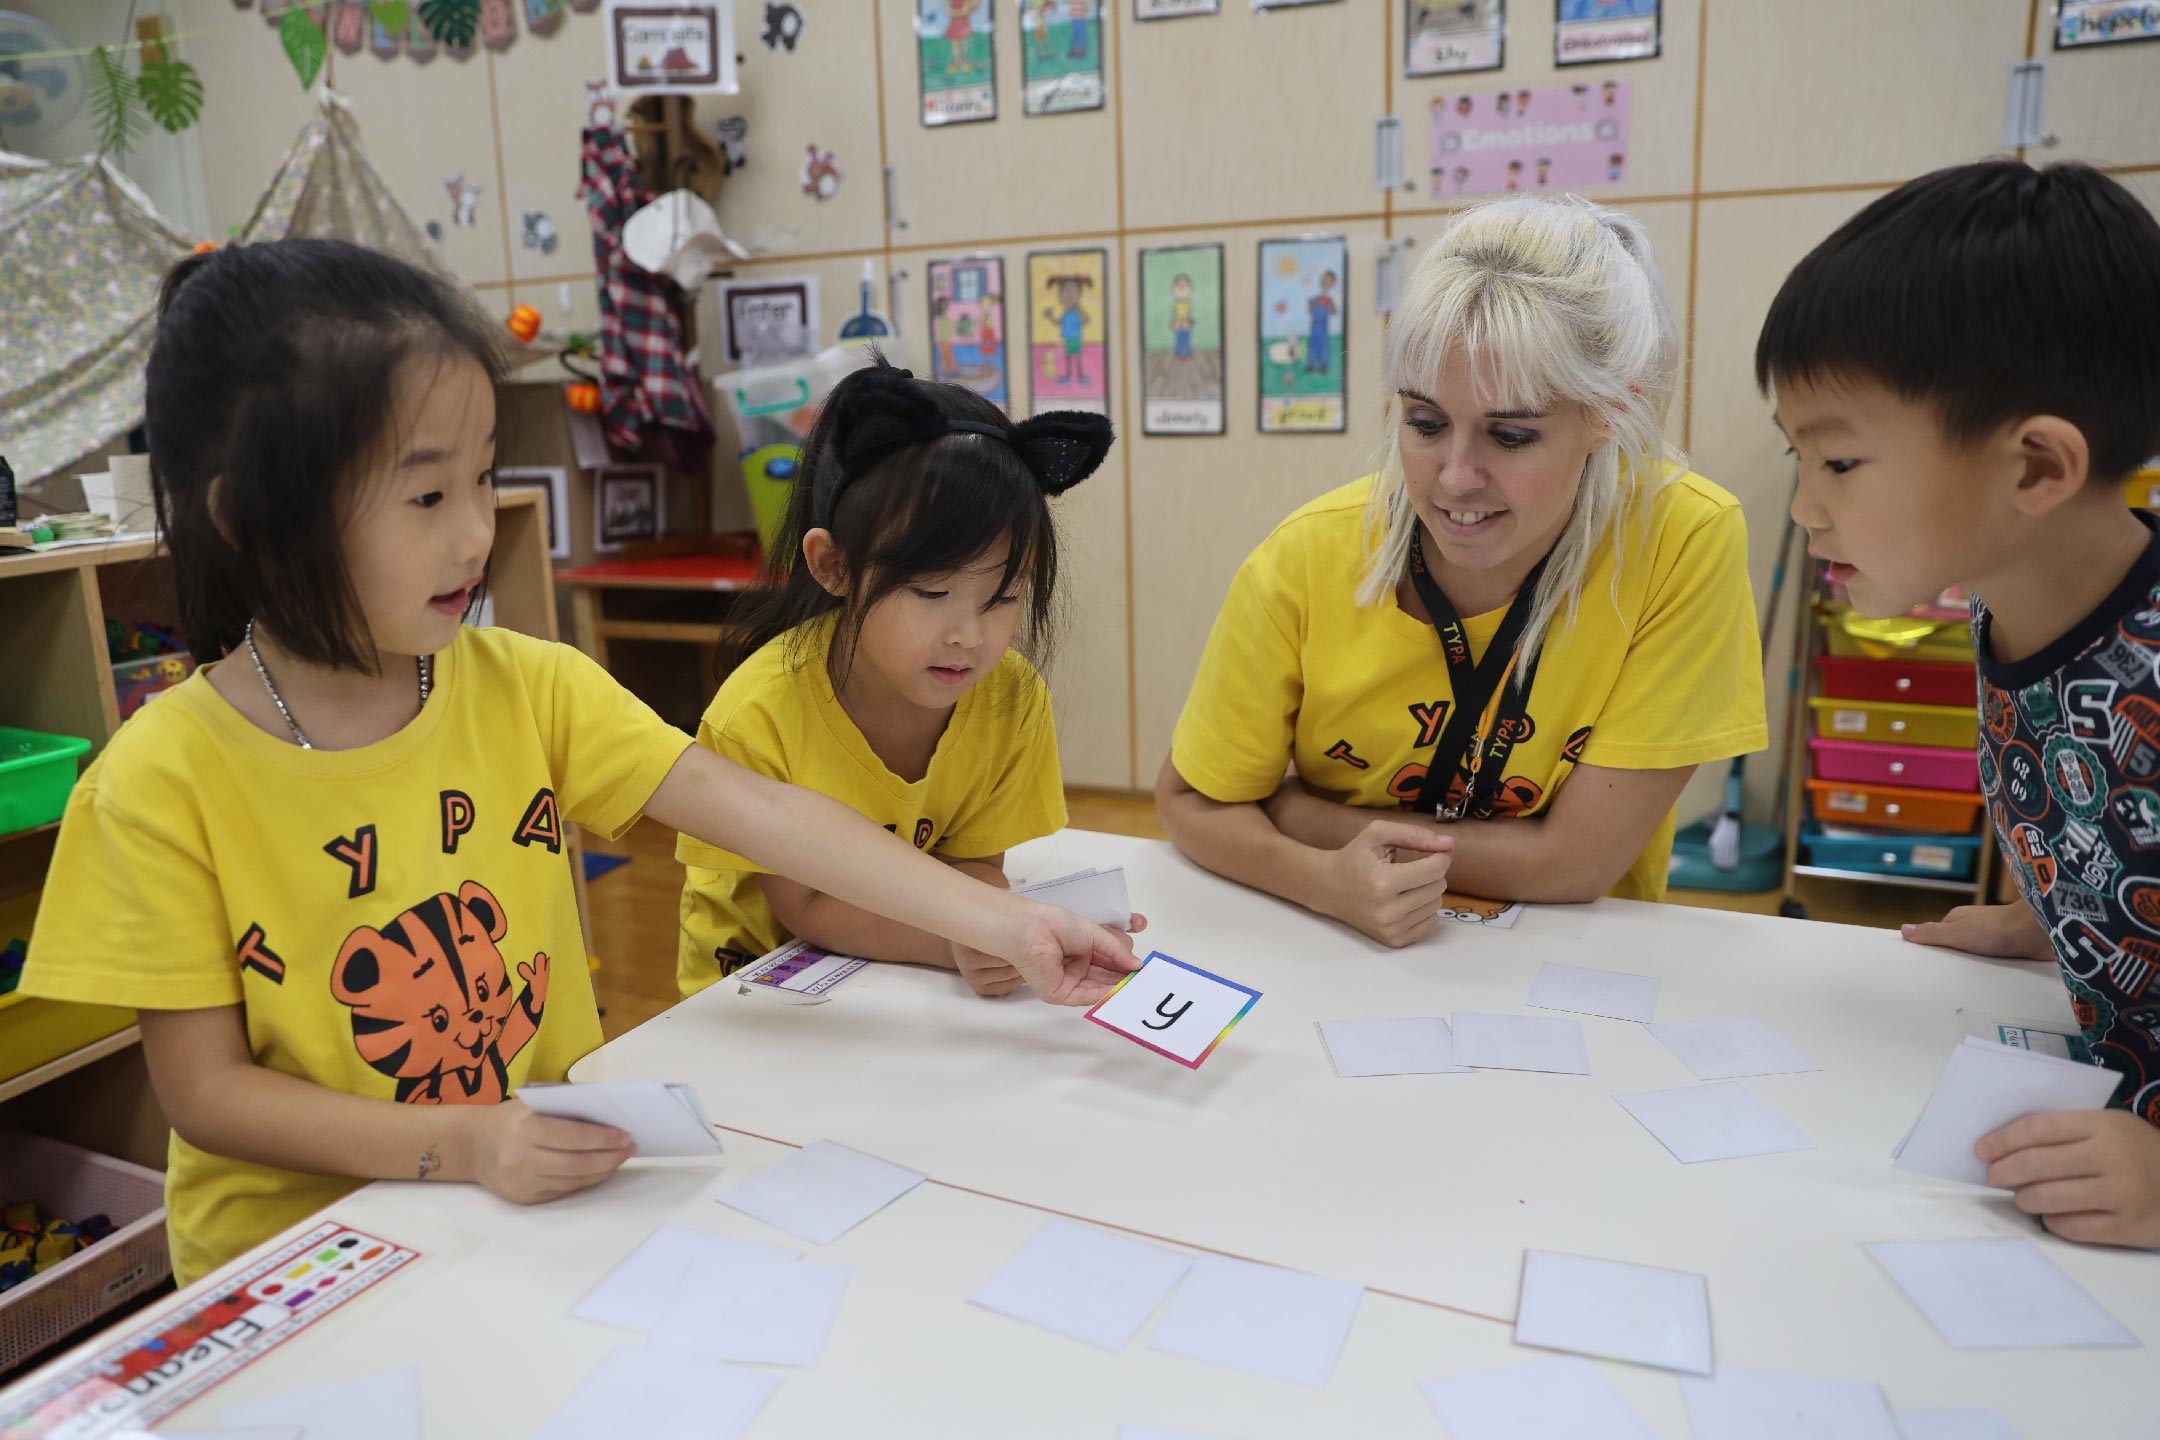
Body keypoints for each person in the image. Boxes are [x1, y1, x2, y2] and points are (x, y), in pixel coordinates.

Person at [16, 241, 1138, 1286]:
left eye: (482, 480)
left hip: (541, 1184)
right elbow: (208, 1098)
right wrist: (460, 1142)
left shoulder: (524, 684)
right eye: (425, 495)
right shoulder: (158, 780)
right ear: (256, 520)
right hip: (311, 1259)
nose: (474, 533)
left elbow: (771, 816)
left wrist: (1008, 925)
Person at [1157, 196, 1766, 947]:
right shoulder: (1308, 554)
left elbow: (1576, 866)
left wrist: (1303, 817)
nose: (1453, 479)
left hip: (1576, 962)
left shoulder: (1682, 539)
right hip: (1342, 948)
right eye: (1424, 423)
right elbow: (1192, 800)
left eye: (1510, 436)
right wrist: (1323, 882)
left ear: (1610, 414)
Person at [1756, 160, 2160, 1247]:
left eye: (1838, 460)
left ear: (2034, 467)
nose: (1805, 507)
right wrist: (2063, 917)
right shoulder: (2008, 611)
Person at [678, 359, 1133, 996]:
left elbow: (977, 863)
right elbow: (807, 902)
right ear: (833, 566)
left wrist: (1005, 928)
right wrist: (964, 936)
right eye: (930, 591)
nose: (969, 636)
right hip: (755, 991)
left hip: (901, 974)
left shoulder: (1009, 695)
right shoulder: (759, 713)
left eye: (1002, 597)